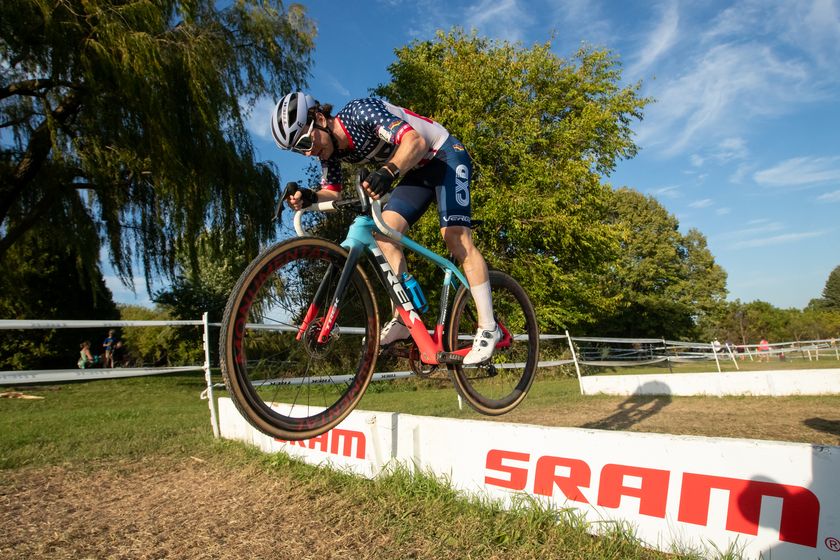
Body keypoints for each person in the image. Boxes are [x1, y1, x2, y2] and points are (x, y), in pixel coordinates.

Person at [271, 92, 499, 364]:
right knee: (383, 235)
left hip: (445, 156)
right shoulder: (331, 151)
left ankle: (489, 327)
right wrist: (308, 196)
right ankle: (404, 318)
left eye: (306, 142)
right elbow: (331, 192)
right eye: (299, 149)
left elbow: (416, 140)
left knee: (455, 238)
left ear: (320, 118)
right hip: (415, 170)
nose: (308, 151)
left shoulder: (360, 113)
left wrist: (388, 172)